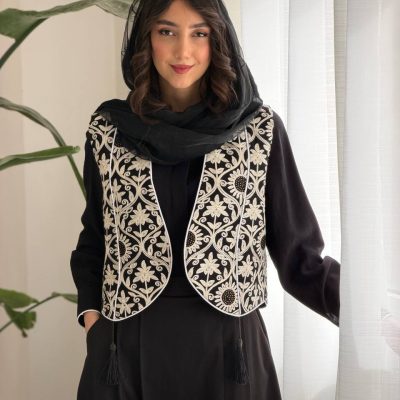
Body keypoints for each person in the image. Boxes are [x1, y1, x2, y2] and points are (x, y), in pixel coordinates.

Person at [69, 0, 341, 399]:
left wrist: (367, 315)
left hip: (230, 351)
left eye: (200, 34)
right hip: (124, 349)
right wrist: (92, 318)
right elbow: (96, 238)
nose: (183, 51)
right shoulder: (108, 132)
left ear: (219, 41)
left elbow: (301, 256)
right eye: (167, 32)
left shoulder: (258, 132)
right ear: (146, 39)